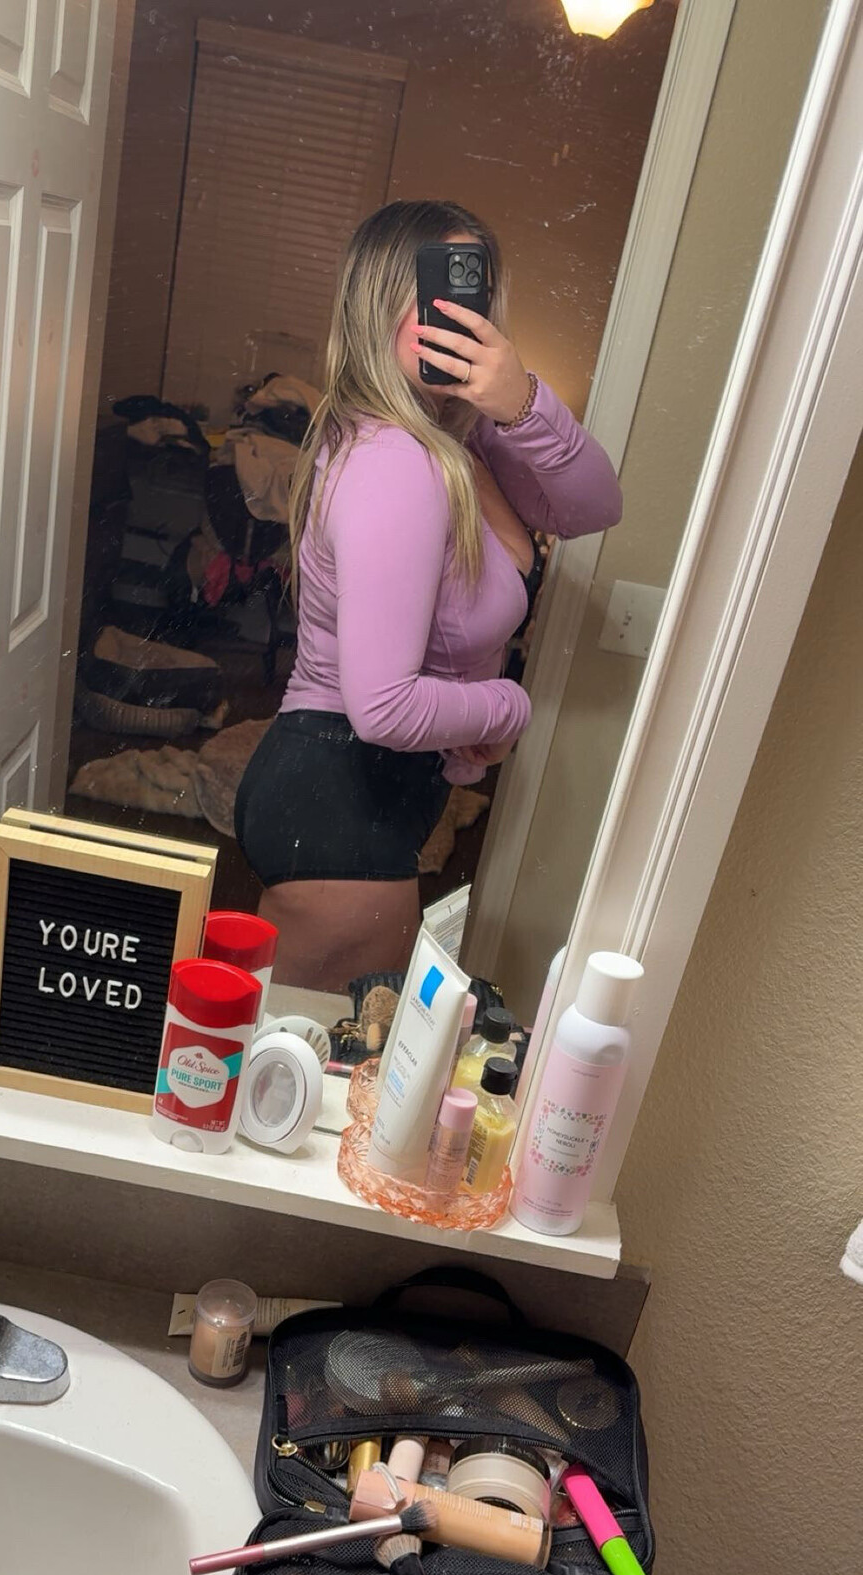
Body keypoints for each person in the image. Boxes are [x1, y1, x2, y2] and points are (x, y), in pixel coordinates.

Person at [234, 200, 622, 990]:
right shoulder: (396, 461)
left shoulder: (461, 442)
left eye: (471, 291)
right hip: (340, 802)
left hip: (353, 796)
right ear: (376, 306)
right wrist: (507, 707)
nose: (454, 314)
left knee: (318, 1049)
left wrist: (521, 402)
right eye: (430, 292)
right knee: (325, 1055)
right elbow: (382, 706)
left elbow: (592, 508)